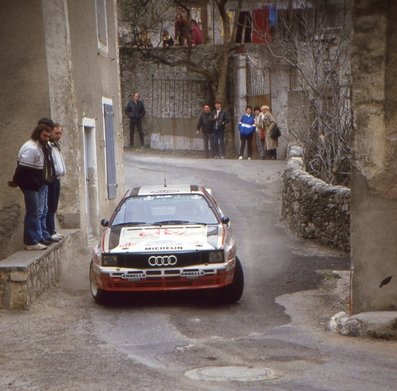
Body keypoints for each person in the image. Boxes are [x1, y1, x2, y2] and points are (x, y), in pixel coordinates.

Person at [11, 124, 55, 250]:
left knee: (37, 211)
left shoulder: (41, 147)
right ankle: (31, 241)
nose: (46, 138)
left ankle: (37, 237)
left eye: (48, 136)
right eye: (44, 135)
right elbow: (22, 169)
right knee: (33, 212)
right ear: (38, 134)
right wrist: (16, 181)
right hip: (30, 185)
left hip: (35, 184)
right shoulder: (31, 148)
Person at [46, 123, 66, 241]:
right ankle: (50, 230)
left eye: (60, 133)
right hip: (51, 179)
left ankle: (52, 230)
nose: (59, 135)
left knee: (53, 206)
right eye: (56, 133)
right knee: (50, 206)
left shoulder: (56, 146)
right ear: (51, 132)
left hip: (57, 179)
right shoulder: (48, 146)